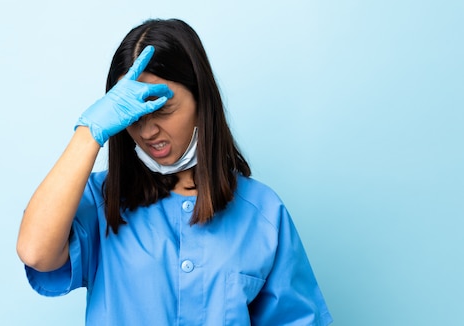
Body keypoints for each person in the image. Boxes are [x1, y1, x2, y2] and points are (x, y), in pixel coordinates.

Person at [17, 18, 333, 325]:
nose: (147, 130)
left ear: (200, 99)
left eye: (161, 108)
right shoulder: (101, 202)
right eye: (132, 114)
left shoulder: (263, 212)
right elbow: (36, 252)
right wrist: (90, 130)